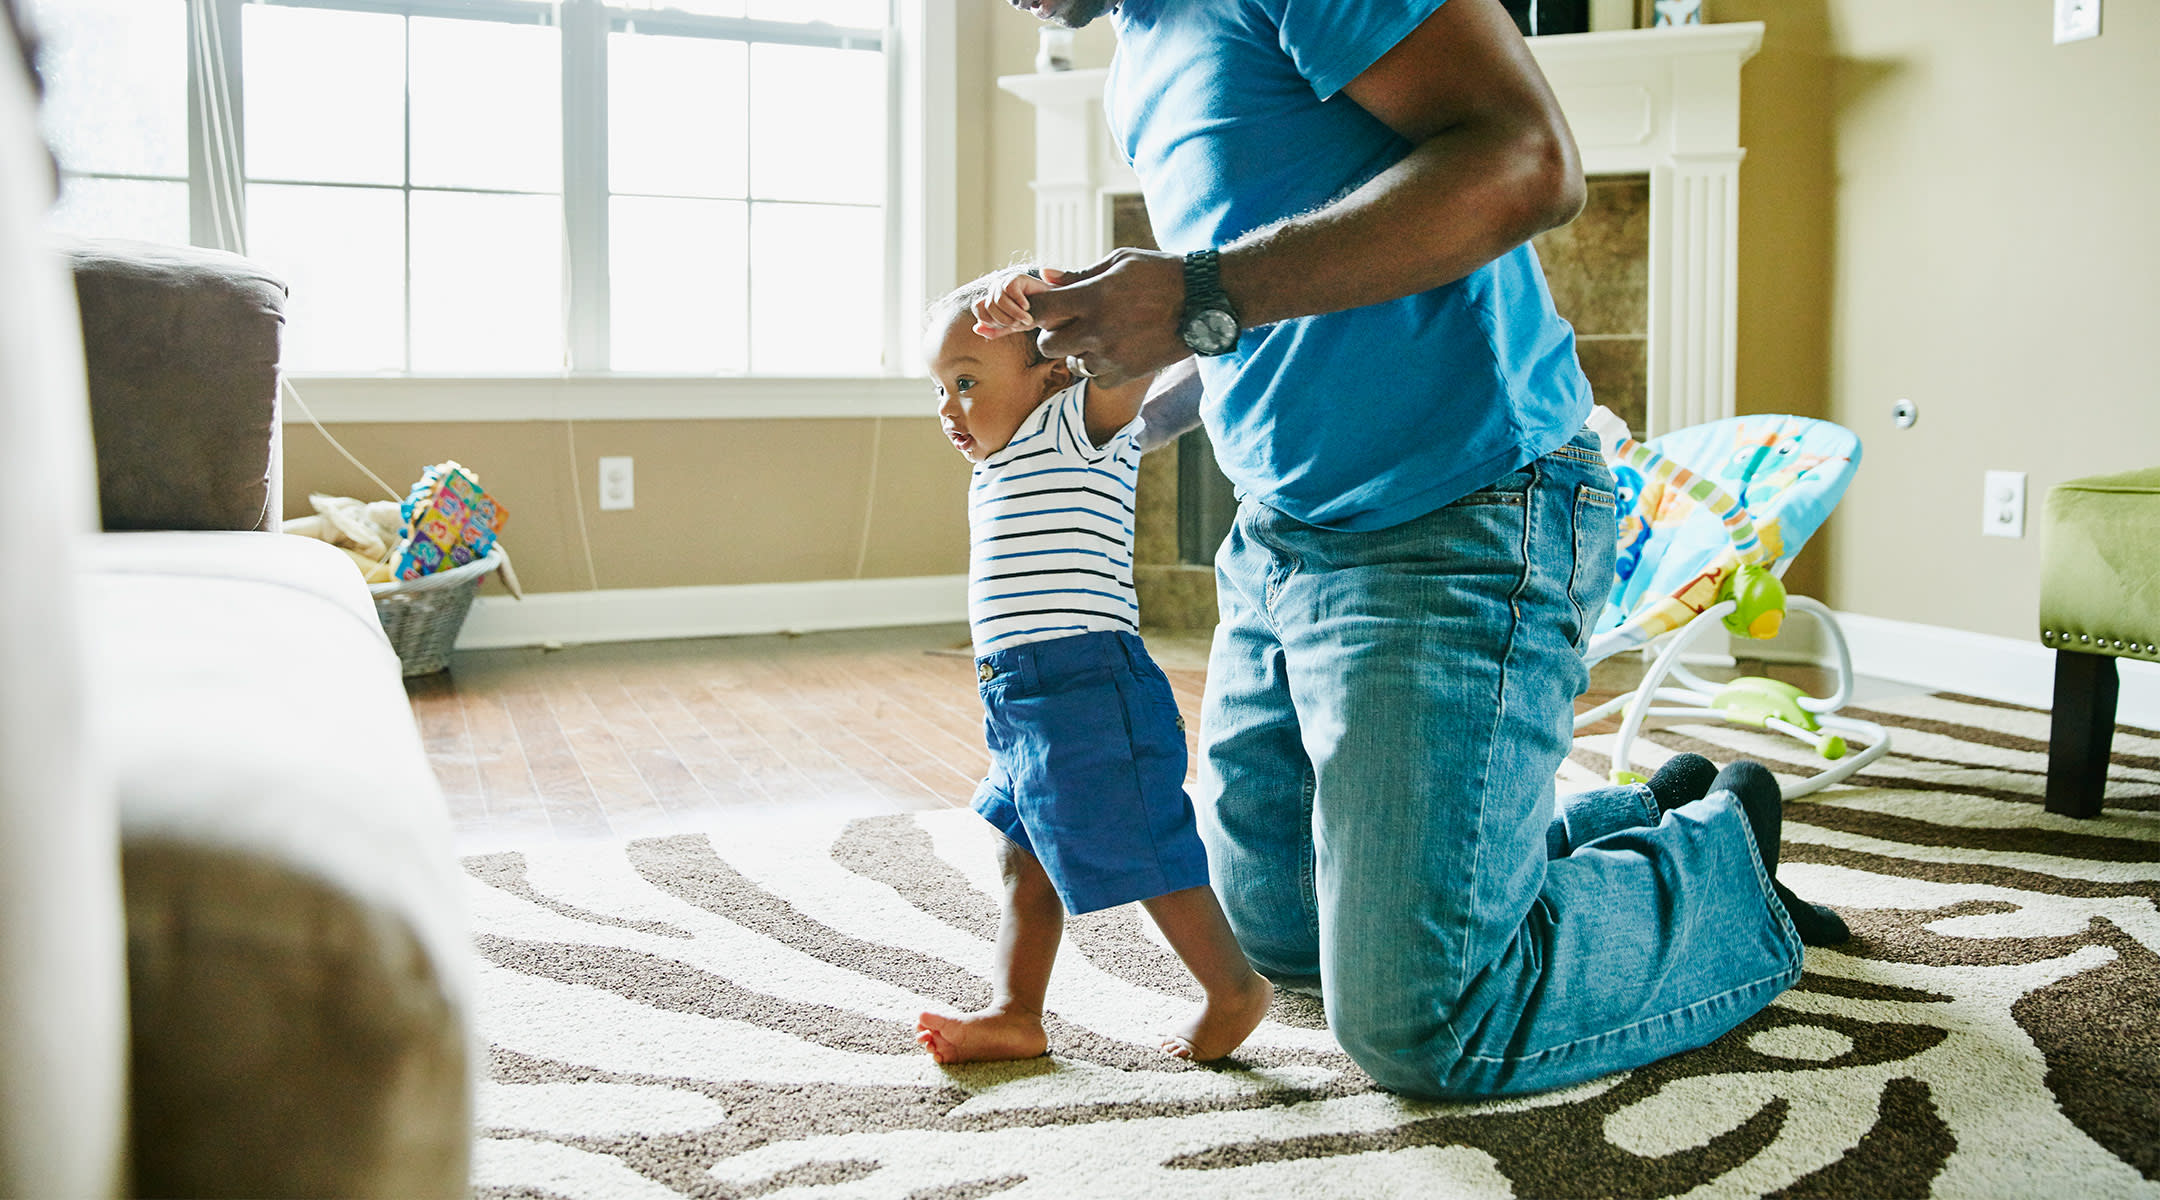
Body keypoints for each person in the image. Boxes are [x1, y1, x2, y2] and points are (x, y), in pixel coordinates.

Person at [983, 0, 1844, 1099]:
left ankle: (1720, 856)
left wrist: (1195, 297)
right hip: (1283, 540)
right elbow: (1273, 293)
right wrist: (1130, 393)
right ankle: (1628, 822)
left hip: (1463, 510)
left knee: (1427, 1021)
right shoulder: (1138, 51)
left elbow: (1531, 163)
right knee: (1281, 933)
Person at [913, 269, 1275, 1065]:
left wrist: (1048, 305)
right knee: (1023, 851)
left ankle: (1231, 990)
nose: (948, 407)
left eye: (966, 381)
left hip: (1085, 683)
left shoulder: (1078, 422)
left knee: (1142, 842)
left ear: (1049, 373)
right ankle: (1016, 1012)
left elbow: (1129, 353)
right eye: (940, 388)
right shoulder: (1000, 460)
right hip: (1021, 698)